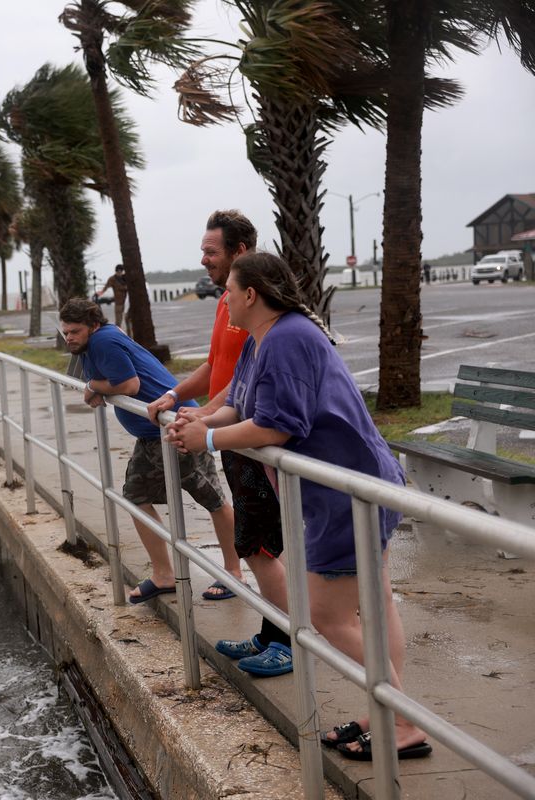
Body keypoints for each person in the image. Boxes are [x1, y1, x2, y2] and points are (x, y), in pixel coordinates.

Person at [168, 252, 430, 762]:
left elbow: (279, 425)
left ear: (251, 295)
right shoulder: (264, 338)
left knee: (325, 616)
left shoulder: (288, 337)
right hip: (351, 487)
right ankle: (387, 714)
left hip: (347, 491)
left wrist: (210, 438)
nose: (222, 297)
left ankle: (401, 722)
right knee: (375, 606)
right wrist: (199, 418)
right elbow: (241, 402)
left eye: (230, 290)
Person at [146, 210, 293, 677]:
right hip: (233, 433)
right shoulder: (226, 304)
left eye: (212, 251)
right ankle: (272, 634)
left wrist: (208, 428)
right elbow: (221, 372)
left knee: (262, 545)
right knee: (258, 542)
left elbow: (261, 388)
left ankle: (287, 641)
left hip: (252, 438)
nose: (203, 258)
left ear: (240, 254)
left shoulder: (260, 312)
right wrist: (182, 400)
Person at [58, 297, 240, 605]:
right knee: (136, 495)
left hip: (175, 427)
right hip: (152, 433)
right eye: (65, 332)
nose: (69, 338)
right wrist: (97, 388)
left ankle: (233, 572)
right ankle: (164, 575)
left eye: (75, 331)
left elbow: (129, 384)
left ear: (93, 326)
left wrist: (96, 387)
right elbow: (110, 382)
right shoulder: (93, 343)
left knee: (212, 498)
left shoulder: (103, 341)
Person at [95, 265, 128, 332]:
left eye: (121, 271)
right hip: (118, 302)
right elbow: (106, 287)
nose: (119, 273)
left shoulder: (126, 278)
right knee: (118, 320)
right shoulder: (112, 279)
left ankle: (130, 336)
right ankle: (118, 333)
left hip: (127, 302)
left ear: (122, 271)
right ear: (116, 271)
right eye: (118, 271)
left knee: (128, 319)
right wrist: (100, 293)